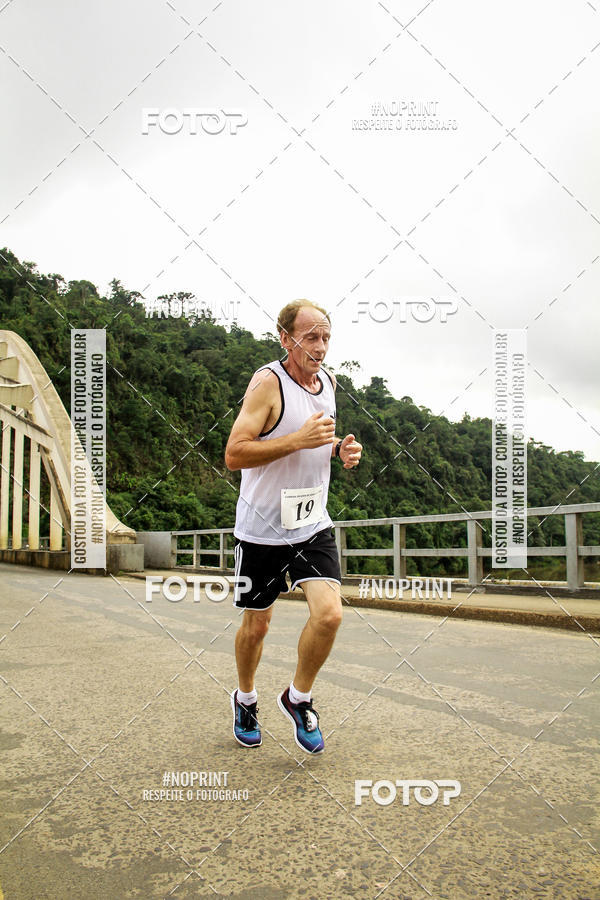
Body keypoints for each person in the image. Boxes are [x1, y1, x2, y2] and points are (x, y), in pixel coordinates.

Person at [224, 300, 362, 754]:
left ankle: (298, 697)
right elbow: (235, 454)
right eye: (310, 338)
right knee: (257, 626)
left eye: (326, 338)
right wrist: (296, 441)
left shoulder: (329, 384)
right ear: (285, 338)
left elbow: (316, 442)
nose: (320, 347)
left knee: (330, 614)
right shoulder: (267, 383)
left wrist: (338, 450)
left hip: (310, 523)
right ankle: (246, 699)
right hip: (262, 527)